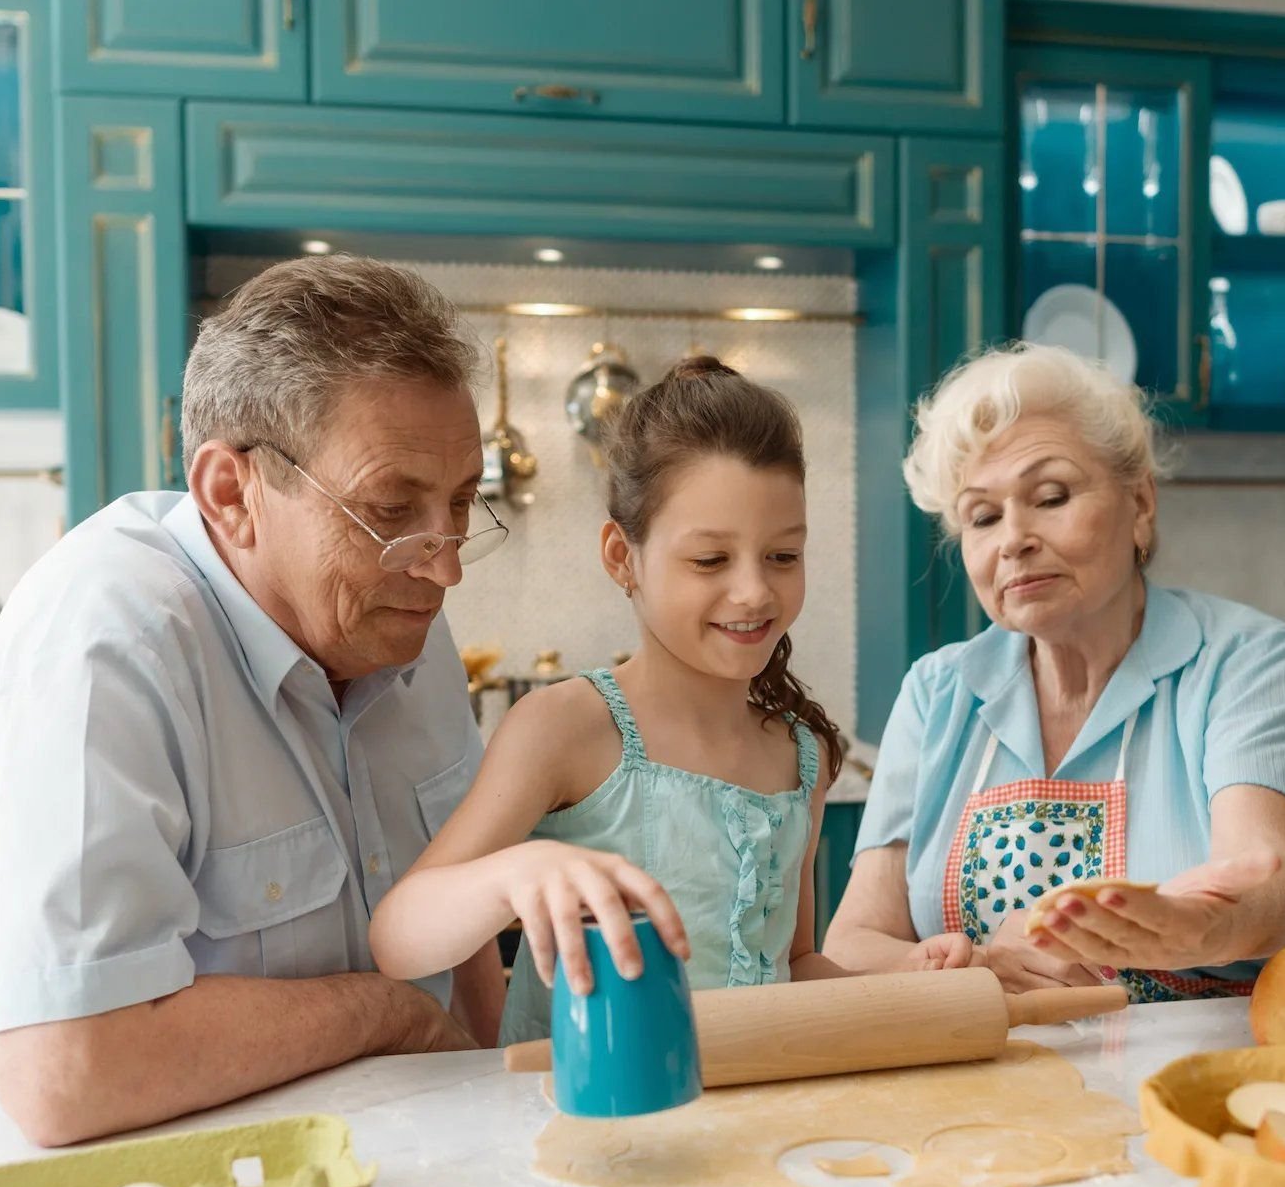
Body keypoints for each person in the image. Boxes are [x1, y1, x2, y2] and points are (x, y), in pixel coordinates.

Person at [0, 257, 507, 1144]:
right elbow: (68, 1070)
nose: (446, 564)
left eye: (463, 504)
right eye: (391, 511)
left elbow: (460, 895)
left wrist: (488, 1075)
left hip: (392, 1171)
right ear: (232, 494)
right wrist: (392, 1016)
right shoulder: (104, 643)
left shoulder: (402, 613)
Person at [372, 358, 952, 1045]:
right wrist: (514, 873)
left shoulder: (801, 754)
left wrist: (908, 980)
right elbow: (398, 936)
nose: (754, 592)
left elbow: (791, 965)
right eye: (710, 561)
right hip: (577, 1122)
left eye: (783, 556)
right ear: (622, 556)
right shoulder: (566, 728)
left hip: (749, 1121)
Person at [824, 342, 1285, 1001]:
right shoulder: (936, 691)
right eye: (982, 516)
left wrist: (1187, 926)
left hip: (1193, 1073)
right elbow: (854, 945)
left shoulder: (1249, 661)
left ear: (1141, 505)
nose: (1013, 538)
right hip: (987, 1078)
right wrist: (971, 966)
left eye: (1050, 495)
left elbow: (1271, 888)